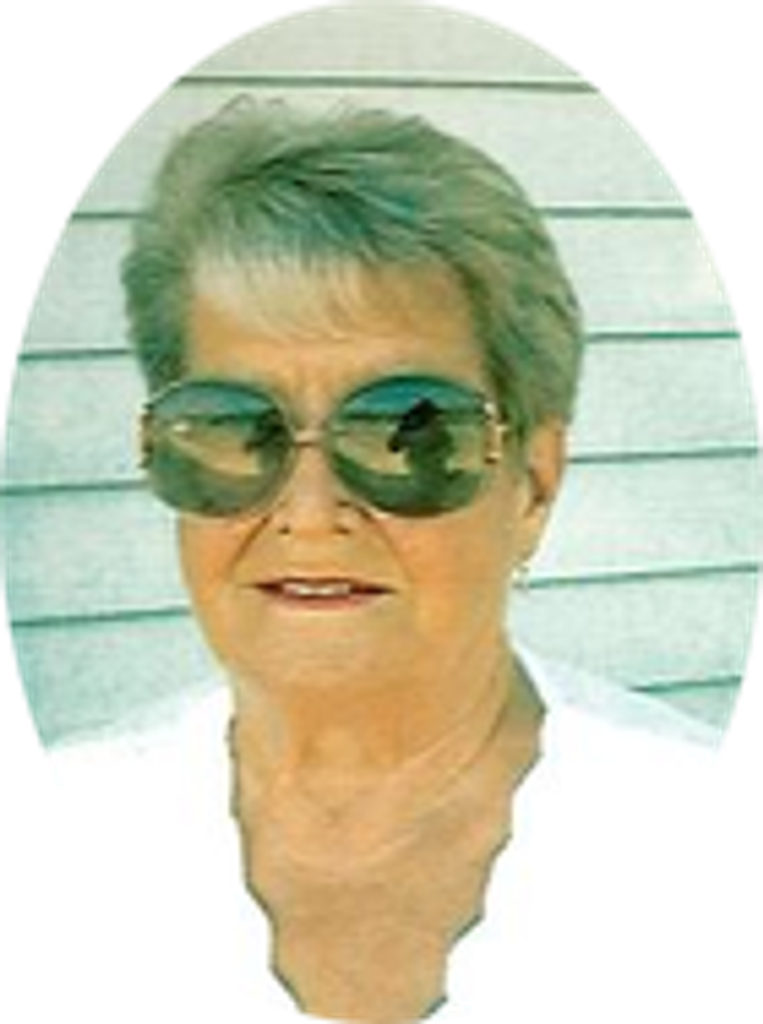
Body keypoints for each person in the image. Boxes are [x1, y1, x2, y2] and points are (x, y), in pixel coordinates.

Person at [44, 98, 725, 1023]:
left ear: (532, 484)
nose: (309, 514)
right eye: (235, 428)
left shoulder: (666, 813)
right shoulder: (89, 810)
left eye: (408, 429)